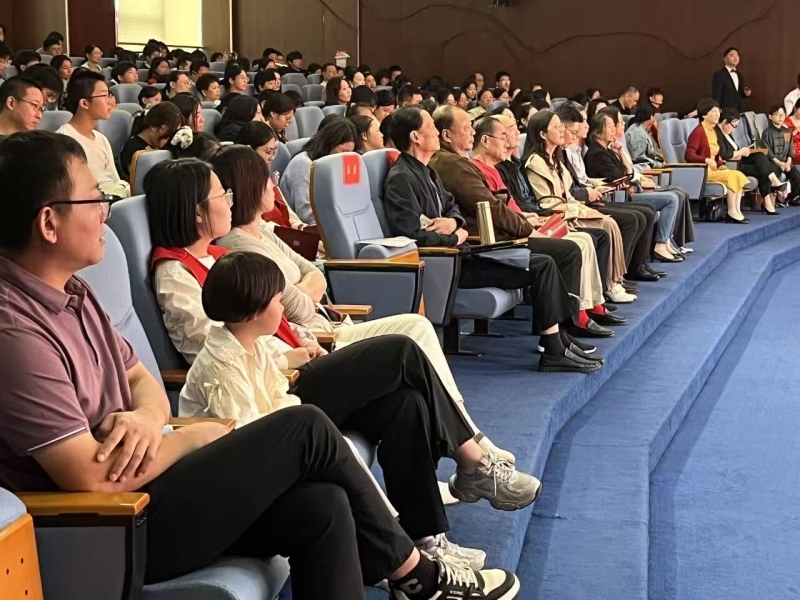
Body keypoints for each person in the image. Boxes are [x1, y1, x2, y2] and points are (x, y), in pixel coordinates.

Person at [0, 131, 521, 600]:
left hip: (155, 477)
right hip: (113, 528)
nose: (105, 213)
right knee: (304, 426)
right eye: (94, 199)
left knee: (323, 506)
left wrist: (145, 416)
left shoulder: (74, 292)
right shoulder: (15, 332)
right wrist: (193, 436)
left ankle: (418, 564)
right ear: (49, 222)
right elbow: (92, 478)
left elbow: (140, 376)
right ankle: (418, 575)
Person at [384, 106, 599, 372]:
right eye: (431, 128)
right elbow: (412, 235)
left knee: (544, 263)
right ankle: (554, 348)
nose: (437, 133)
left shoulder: (428, 171)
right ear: (415, 136)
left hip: (462, 253)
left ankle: (557, 342)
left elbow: (452, 208)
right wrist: (456, 236)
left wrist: (454, 224)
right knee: (543, 264)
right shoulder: (402, 178)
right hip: (449, 263)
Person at [431, 108, 618, 339]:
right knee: (567, 251)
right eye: (466, 128)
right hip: (486, 243)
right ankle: (564, 329)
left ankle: (566, 328)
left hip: (499, 233)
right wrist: (528, 230)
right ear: (446, 135)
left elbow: (500, 205)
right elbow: (491, 207)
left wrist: (525, 221)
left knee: (581, 242)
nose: (472, 133)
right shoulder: (451, 164)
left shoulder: (459, 162)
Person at [522, 110, 641, 300]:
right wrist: (579, 209)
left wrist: (581, 207)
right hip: (559, 215)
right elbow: (548, 201)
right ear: (543, 134)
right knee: (606, 226)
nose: (562, 130)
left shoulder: (555, 158)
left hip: (570, 208)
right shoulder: (535, 162)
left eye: (562, 126)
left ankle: (613, 281)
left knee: (609, 222)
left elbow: (568, 193)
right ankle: (606, 287)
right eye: (557, 127)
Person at [557, 103, 662, 280]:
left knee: (646, 212)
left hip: (594, 196)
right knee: (633, 218)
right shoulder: (592, 153)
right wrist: (591, 190)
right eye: (612, 125)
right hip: (581, 203)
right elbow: (570, 188)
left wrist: (620, 157)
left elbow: (625, 175)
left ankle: (635, 266)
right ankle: (618, 275)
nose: (585, 125)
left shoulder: (592, 150)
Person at [583, 111, 682, 261]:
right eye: (609, 126)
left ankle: (665, 241)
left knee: (673, 196)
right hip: (615, 196)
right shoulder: (597, 153)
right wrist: (629, 181)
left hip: (626, 192)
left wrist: (621, 154)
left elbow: (628, 174)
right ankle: (660, 244)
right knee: (670, 199)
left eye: (614, 125)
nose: (614, 129)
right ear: (597, 132)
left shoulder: (608, 150)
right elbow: (621, 178)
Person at [57, 71, 129, 197]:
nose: (110, 102)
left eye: (109, 95)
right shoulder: (64, 140)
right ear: (84, 103)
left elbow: (115, 179)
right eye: (104, 96)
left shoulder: (101, 138)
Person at [282, 117, 359, 224]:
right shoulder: (303, 164)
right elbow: (305, 213)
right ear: (329, 143)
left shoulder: (332, 165)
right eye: (343, 151)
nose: (344, 157)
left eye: (349, 153)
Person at [685, 98, 751, 223]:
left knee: (737, 175)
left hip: (713, 169)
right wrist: (706, 160)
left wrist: (720, 164)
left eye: (718, 111)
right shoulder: (698, 131)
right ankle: (731, 212)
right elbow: (689, 155)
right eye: (713, 111)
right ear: (704, 115)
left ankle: (737, 211)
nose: (717, 114)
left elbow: (715, 154)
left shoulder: (713, 131)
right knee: (732, 176)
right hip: (703, 171)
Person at [235, 121, 306, 230]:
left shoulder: (269, 179)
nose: (272, 158)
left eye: (274, 152)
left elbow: (290, 218)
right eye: (268, 152)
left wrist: (303, 228)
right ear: (249, 151)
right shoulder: (240, 186)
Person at [717, 107, 786, 214]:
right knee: (764, 171)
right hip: (733, 165)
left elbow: (734, 151)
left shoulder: (727, 133)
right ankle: (768, 199)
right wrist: (740, 152)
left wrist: (743, 152)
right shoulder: (718, 133)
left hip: (739, 159)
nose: (734, 129)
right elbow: (724, 154)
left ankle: (770, 186)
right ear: (725, 122)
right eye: (734, 125)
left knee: (761, 154)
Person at [119, 101, 186, 178]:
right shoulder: (133, 148)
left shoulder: (166, 146)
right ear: (153, 126)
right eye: (168, 134)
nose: (171, 139)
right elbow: (140, 178)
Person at [759, 103, 800, 206]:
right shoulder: (767, 133)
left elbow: (789, 149)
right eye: (777, 114)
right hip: (773, 163)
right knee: (774, 175)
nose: (780, 117)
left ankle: (791, 199)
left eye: (782, 114)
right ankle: (775, 200)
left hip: (785, 163)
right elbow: (768, 151)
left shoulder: (787, 132)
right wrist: (779, 163)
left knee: (796, 176)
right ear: (770, 116)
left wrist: (788, 162)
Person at [712, 47, 750, 113]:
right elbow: (716, 95)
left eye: (737, 55)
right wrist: (717, 109)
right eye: (732, 55)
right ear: (725, 59)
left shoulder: (740, 74)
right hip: (726, 112)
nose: (735, 58)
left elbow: (739, 93)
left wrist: (746, 94)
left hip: (739, 111)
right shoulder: (719, 74)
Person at [785, 100, 800, 164]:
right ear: (795, 108)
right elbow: (784, 140)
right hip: (793, 153)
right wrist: (794, 132)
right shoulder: (786, 122)